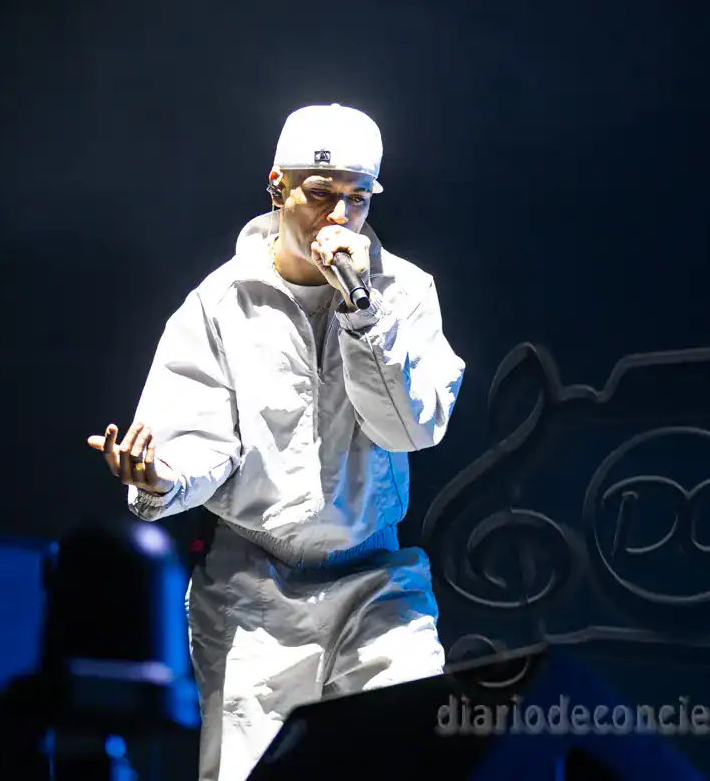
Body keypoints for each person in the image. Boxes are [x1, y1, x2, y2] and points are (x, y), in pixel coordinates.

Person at [87, 103, 465, 781]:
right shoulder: (221, 302)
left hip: (375, 583)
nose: (339, 216)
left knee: (411, 756)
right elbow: (199, 441)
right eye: (320, 194)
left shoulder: (401, 292)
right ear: (276, 187)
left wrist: (362, 309)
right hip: (253, 594)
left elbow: (411, 426)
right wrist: (161, 477)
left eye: (358, 198)